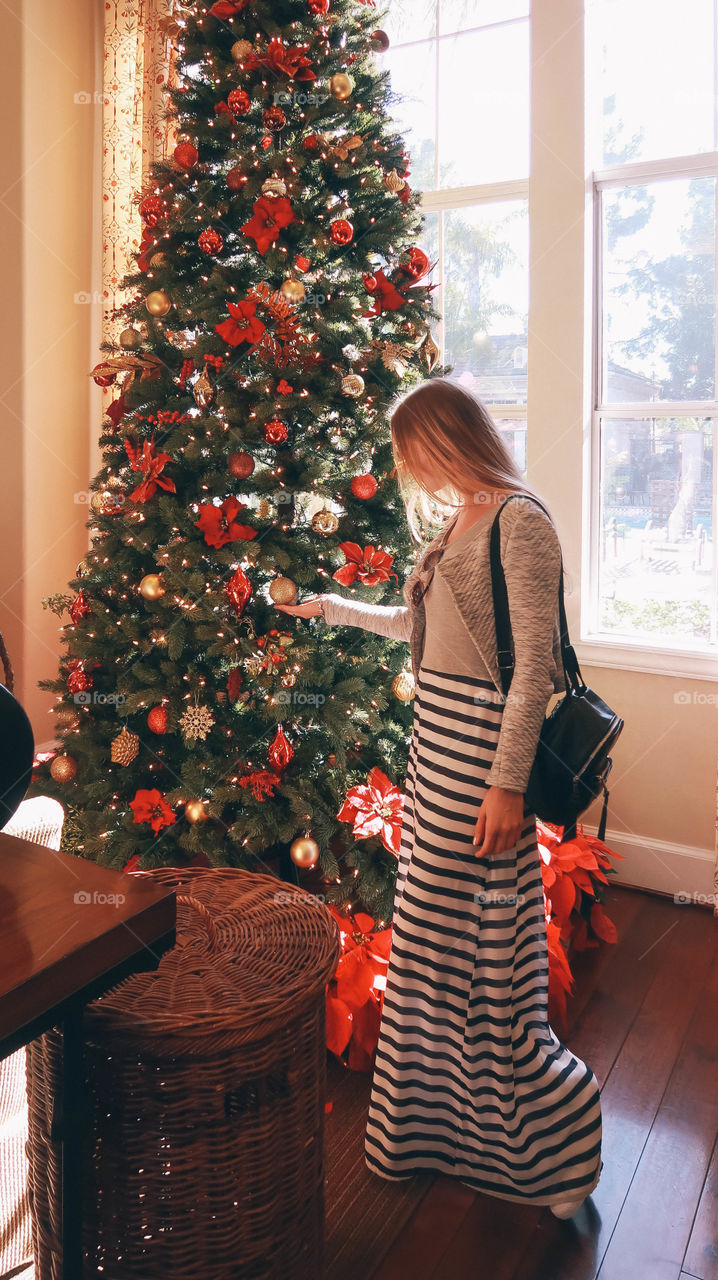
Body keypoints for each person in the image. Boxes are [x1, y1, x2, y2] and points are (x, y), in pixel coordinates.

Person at [274, 377, 603, 1219]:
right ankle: (428, 1133)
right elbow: (417, 629)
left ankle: (556, 1148)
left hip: (480, 767)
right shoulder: (462, 520)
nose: (410, 471)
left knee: (491, 966)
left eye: (417, 451)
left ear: (453, 438)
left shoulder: (519, 522)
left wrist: (503, 788)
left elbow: (532, 669)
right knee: (430, 956)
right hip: (437, 760)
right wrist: (323, 606)